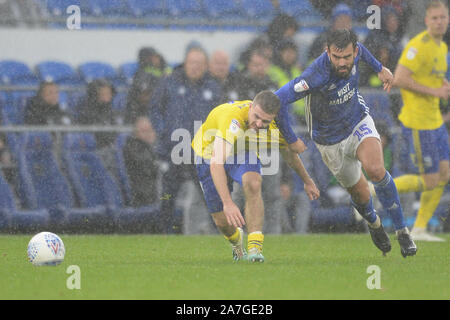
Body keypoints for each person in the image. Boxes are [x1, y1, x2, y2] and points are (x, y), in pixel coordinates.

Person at [275, 29, 417, 258]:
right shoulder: (314, 76)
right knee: (361, 195)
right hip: (330, 142)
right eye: (336, 57)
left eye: (347, 57)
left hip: (357, 121)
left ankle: (402, 231)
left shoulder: (357, 52)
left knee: (376, 170)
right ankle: (374, 223)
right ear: (327, 51)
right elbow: (278, 99)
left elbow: (365, 53)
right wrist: (291, 139)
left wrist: (380, 68)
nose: (342, 62)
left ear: (355, 52)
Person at [191, 90, 320, 262]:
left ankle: (254, 248)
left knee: (253, 183)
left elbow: (289, 153)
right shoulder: (232, 120)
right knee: (221, 222)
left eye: (265, 121)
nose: (259, 124)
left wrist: (307, 180)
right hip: (209, 153)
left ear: (273, 118)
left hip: (243, 151)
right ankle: (237, 243)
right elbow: (216, 163)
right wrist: (228, 203)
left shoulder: (273, 127)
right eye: (256, 117)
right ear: (251, 106)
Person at [391, 0, 450, 242]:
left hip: (435, 120)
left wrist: (442, 86)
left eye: (442, 18)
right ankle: (375, 189)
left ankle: (419, 228)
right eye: (434, 18)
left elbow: (432, 78)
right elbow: (399, 78)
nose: (439, 22)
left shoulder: (442, 47)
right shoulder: (417, 46)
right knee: (430, 180)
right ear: (426, 21)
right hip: (418, 122)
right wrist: (433, 92)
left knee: (445, 173)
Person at [149, 42, 223, 233]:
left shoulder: (213, 87)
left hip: (201, 154)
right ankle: (165, 236)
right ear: (185, 63)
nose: (195, 67)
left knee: (210, 196)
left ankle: (218, 235)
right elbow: (155, 109)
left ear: (205, 65)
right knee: (167, 197)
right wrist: (163, 131)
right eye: (192, 62)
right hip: (173, 151)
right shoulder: (169, 83)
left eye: (199, 63)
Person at [76, 78, 117, 175]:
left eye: (109, 93)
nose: (108, 96)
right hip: (96, 151)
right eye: (104, 93)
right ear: (95, 95)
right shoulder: (86, 112)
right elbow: (94, 137)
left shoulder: (110, 110)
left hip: (111, 149)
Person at [123, 117, 159, 208]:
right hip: (144, 197)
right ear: (136, 133)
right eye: (144, 131)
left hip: (155, 194)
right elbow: (148, 168)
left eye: (151, 130)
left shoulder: (154, 149)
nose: (149, 134)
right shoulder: (134, 148)